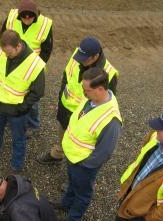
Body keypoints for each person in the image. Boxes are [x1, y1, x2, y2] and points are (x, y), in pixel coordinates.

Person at [51, 67, 122, 221]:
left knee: (83, 193)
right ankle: (67, 203)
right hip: (72, 155)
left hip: (83, 163)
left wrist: (86, 164)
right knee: (72, 184)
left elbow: (105, 152)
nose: (83, 92)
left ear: (100, 89)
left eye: (87, 89)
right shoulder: (90, 98)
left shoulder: (111, 119)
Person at [37, 36, 118, 164]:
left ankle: (75, 166)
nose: (80, 61)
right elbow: (66, 77)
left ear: (95, 56)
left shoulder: (109, 73)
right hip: (66, 107)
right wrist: (60, 99)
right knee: (63, 132)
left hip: (84, 115)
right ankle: (58, 153)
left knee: (78, 143)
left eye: (84, 59)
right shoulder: (78, 56)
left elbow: (105, 101)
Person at [0, 30, 45, 173]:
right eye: (5, 52)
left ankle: (16, 166)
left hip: (17, 110)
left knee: (19, 139)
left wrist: (22, 108)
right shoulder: (0, 51)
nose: (7, 55)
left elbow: (38, 92)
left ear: (18, 46)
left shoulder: (35, 64)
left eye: (10, 53)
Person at [1, 0, 53, 135]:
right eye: (24, 16)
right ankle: (8, 117)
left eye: (30, 16)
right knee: (10, 92)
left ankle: (33, 125)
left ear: (35, 16)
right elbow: (3, 36)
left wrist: (35, 68)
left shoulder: (45, 25)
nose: (27, 19)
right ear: (19, 15)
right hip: (12, 63)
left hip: (32, 69)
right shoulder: (12, 17)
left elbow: (46, 50)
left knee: (32, 100)